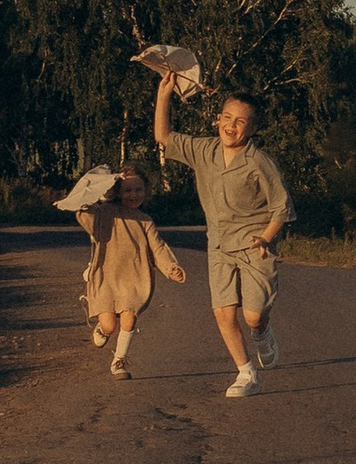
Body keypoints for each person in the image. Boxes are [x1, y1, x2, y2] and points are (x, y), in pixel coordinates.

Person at [151, 70, 289, 398]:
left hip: (256, 246)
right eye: (227, 117)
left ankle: (262, 331)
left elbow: (282, 208)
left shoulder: (260, 163)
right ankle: (246, 373)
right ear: (218, 119)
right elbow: (164, 137)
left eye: (241, 121)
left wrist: (266, 237)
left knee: (252, 316)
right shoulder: (205, 151)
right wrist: (164, 95)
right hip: (219, 245)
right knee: (223, 311)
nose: (231, 125)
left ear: (253, 128)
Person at [76, 164, 186, 377]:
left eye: (138, 190)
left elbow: (158, 247)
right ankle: (102, 329)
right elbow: (85, 216)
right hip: (106, 276)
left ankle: (119, 361)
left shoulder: (145, 220)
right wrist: (87, 199)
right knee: (109, 326)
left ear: (145, 191)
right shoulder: (104, 213)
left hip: (134, 277)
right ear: (117, 191)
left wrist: (171, 267)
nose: (133, 195)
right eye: (127, 190)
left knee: (129, 318)